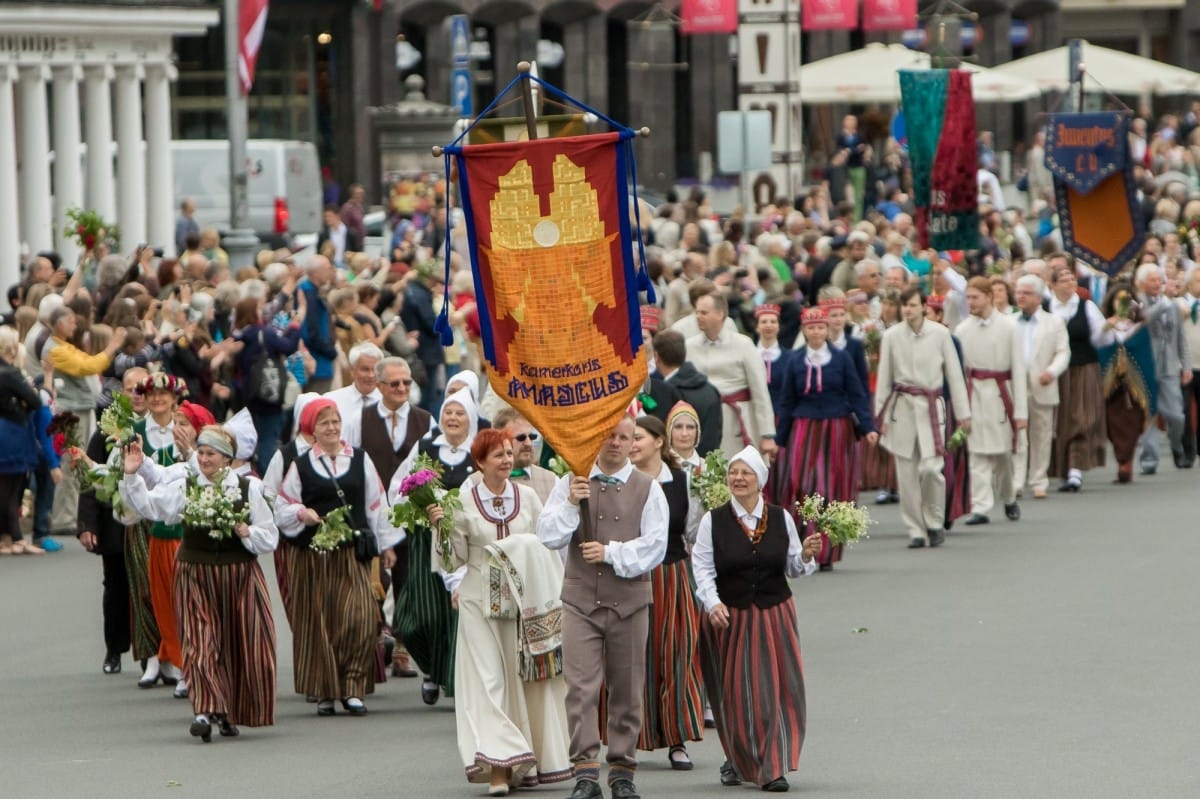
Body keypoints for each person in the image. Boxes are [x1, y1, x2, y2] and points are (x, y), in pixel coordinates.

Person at [536, 415, 669, 799]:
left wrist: (611, 553)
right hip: (579, 601)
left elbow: (655, 546)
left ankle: (623, 770)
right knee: (580, 688)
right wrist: (570, 503)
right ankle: (585, 772)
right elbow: (548, 534)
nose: (615, 443)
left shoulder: (648, 489)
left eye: (624, 437)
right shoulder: (571, 481)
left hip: (629, 602)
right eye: (609, 436)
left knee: (627, 689)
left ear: (633, 443)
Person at [119, 426, 278, 742]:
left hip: (240, 576)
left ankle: (228, 710)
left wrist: (247, 532)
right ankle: (203, 711)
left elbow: (270, 536)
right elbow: (150, 508)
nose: (203, 459)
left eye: (210, 454)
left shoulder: (249, 488)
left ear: (227, 459)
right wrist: (132, 476)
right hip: (195, 574)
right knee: (199, 641)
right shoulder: (186, 486)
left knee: (240, 643)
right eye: (201, 452)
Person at [444, 428, 572, 795]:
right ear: (480, 462)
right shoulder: (462, 501)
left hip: (522, 602)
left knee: (524, 681)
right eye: (497, 455)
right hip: (477, 602)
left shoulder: (529, 497)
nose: (506, 459)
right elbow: (453, 558)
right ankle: (499, 765)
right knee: (489, 681)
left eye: (507, 453)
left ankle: (526, 762)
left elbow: (546, 543)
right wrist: (443, 527)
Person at [692, 446, 821, 792]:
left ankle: (772, 764)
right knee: (737, 693)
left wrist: (806, 556)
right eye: (733, 472)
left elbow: (793, 567)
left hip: (775, 614)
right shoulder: (713, 520)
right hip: (731, 617)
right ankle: (738, 756)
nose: (738, 478)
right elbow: (702, 568)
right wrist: (713, 604)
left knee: (779, 690)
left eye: (745, 472)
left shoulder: (780, 518)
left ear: (760, 480)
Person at [274, 398, 399, 716]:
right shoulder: (301, 465)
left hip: (351, 554)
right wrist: (303, 513)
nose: (331, 428)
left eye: (335, 422)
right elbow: (282, 506)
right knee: (319, 624)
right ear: (312, 430)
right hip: (314, 557)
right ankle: (326, 690)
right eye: (324, 423)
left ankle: (353, 686)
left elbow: (376, 504)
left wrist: (387, 546)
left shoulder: (359, 459)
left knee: (359, 619)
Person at [389, 386, 481, 705]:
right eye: (448, 412)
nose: (452, 418)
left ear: (470, 418)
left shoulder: (477, 451)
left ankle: (447, 679)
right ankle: (430, 667)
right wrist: (412, 509)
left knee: (456, 614)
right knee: (420, 617)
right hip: (426, 539)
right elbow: (400, 486)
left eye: (459, 413)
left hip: (464, 541)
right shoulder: (427, 445)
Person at [345, 356, 433, 678]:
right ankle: (374, 643)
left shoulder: (425, 420)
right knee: (374, 582)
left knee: (409, 582)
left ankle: (402, 648)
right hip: (371, 514)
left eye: (406, 383)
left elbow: (430, 466)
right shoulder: (360, 419)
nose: (401, 388)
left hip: (409, 514)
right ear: (380, 386)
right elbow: (351, 462)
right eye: (394, 383)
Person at [627, 415, 704, 769]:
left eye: (637, 437)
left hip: (672, 575)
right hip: (632, 577)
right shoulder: (622, 481)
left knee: (677, 654)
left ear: (659, 441)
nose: (630, 444)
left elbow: (693, 534)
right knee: (635, 657)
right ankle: (632, 737)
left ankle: (677, 740)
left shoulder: (681, 482)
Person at [774, 306, 876, 569]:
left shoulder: (841, 359)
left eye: (820, 327)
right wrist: (780, 439)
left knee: (831, 487)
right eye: (811, 328)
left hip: (836, 427)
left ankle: (828, 552)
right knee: (801, 483)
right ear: (804, 331)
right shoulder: (795, 360)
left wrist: (868, 426)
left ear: (826, 330)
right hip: (803, 427)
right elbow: (786, 401)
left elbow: (857, 394)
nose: (817, 332)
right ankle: (803, 546)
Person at [875, 288, 971, 548]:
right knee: (905, 474)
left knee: (931, 469)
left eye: (913, 305)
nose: (908, 309)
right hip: (902, 408)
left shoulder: (940, 334)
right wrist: (879, 417)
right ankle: (915, 529)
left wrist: (963, 413)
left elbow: (954, 374)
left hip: (931, 407)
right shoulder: (892, 336)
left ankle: (935, 521)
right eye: (904, 305)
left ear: (923, 307)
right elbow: (884, 378)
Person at [76, 367, 151, 674]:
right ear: (121, 394)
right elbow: (90, 478)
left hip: (150, 520)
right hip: (115, 521)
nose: (136, 395)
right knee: (116, 587)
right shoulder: (107, 431)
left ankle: (153, 653)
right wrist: (87, 524)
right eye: (131, 389)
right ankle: (114, 649)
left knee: (149, 588)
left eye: (142, 389)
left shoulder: (158, 429)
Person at [131, 374, 202, 695]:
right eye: (152, 393)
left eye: (163, 393)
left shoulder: (191, 439)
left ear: (175, 398)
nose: (157, 399)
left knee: (185, 597)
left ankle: (180, 659)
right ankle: (154, 657)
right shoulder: (134, 432)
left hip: (181, 522)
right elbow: (122, 470)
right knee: (148, 591)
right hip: (143, 517)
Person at [956, 276, 1027, 526]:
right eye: (968, 298)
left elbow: (1018, 368)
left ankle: (1008, 497)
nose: (970, 302)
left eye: (975, 297)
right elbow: (959, 372)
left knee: (1003, 455)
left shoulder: (1009, 327)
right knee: (976, 453)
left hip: (1000, 393)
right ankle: (981, 506)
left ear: (988, 296)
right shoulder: (963, 330)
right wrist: (960, 408)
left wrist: (1021, 411)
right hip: (975, 393)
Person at [686, 293, 776, 459]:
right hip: (701, 422)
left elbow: (760, 391)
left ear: (720, 314)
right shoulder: (689, 346)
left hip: (736, 420)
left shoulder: (743, 344)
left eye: (704, 313)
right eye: (697, 312)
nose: (698, 317)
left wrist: (767, 435)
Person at [1047, 261, 1110, 492]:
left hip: (1084, 368)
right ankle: (1062, 468)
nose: (1069, 283)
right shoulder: (1046, 308)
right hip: (1055, 371)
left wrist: (1109, 329)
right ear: (1052, 285)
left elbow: (1101, 340)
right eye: (1063, 280)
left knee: (1083, 418)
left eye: (1072, 279)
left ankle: (1075, 470)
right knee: (1060, 420)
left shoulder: (1087, 307)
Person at [1011, 276, 1069, 500]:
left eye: (1026, 293)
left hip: (1042, 383)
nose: (1020, 297)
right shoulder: (1010, 321)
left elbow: (1063, 352)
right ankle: (1016, 481)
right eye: (1018, 292)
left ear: (1037, 297)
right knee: (1017, 435)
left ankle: (1038, 479)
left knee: (1042, 434)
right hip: (1016, 385)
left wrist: (1052, 371)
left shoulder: (1054, 322)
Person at [232, 295, 305, 471]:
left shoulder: (239, 336)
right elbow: (288, 347)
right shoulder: (263, 333)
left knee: (251, 440)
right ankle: (267, 483)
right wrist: (294, 327)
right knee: (267, 441)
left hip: (248, 395)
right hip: (269, 396)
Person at [1135, 262, 1190, 473]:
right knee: (1147, 414)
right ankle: (1149, 461)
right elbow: (1143, 319)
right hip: (1146, 366)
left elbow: (1180, 338)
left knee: (1176, 415)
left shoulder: (1172, 306)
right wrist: (1163, 304)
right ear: (1141, 283)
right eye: (1153, 280)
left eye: (1160, 280)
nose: (1158, 283)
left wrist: (1185, 366)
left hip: (1169, 366)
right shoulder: (1135, 302)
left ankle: (1176, 446)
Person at [1098, 284, 1156, 484]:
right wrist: (1108, 326)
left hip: (1134, 388)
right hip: (1111, 387)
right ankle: (1121, 459)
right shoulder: (1105, 325)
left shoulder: (1140, 329)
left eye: (1126, 300)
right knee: (1113, 425)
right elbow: (1100, 349)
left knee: (1131, 425)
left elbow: (1145, 358)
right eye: (1118, 300)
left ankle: (1126, 463)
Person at [0, 327, 48, 556]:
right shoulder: (10, 373)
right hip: (11, 433)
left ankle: (5, 537)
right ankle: (18, 538)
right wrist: (22, 402)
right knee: (11, 489)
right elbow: (35, 401)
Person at [653, 331, 723, 456]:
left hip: (674, 465)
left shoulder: (663, 393)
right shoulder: (711, 390)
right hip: (707, 467)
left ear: (656, 357)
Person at [494, 407, 557, 503]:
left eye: (532, 437)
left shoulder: (551, 481)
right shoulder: (476, 482)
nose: (528, 443)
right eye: (521, 438)